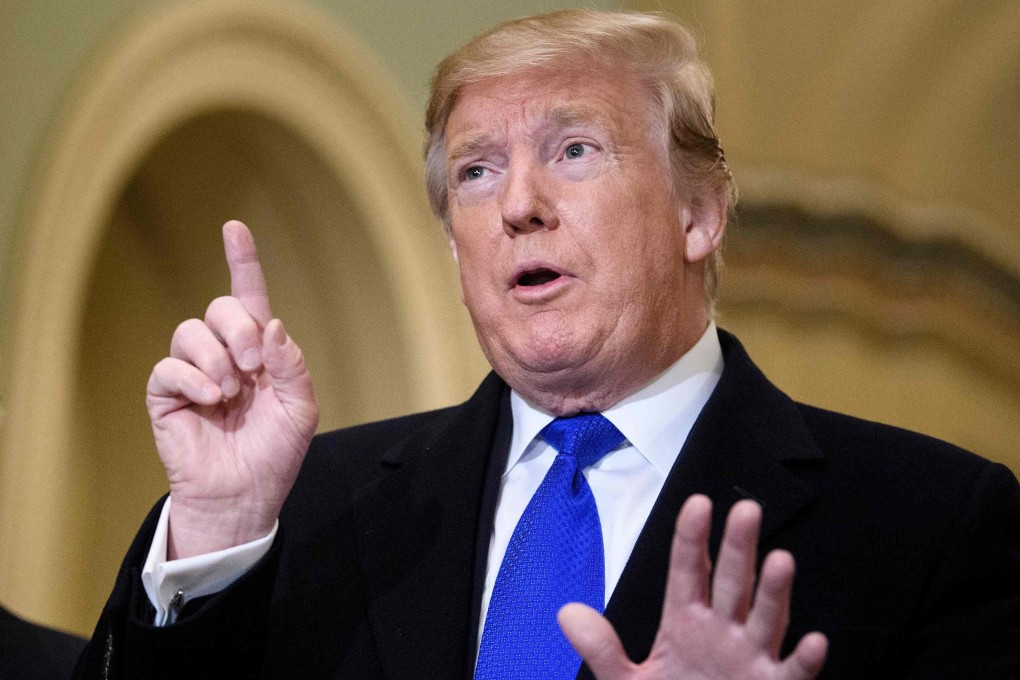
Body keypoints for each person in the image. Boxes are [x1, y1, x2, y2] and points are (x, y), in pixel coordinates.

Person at [75, 9, 1020, 680]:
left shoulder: (933, 522)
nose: (520, 205)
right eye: (479, 172)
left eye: (574, 151)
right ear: (455, 243)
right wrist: (218, 538)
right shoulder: (308, 509)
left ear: (701, 212)